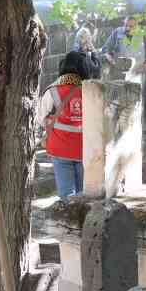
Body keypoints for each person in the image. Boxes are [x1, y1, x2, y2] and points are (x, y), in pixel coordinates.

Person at [37, 50, 88, 198]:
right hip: (84, 149)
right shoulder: (91, 90)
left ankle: (69, 219)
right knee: (84, 194)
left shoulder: (52, 91)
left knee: (67, 196)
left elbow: (40, 118)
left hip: (60, 149)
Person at [103, 16, 146, 83]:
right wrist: (109, 56)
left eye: (131, 26)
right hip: (119, 73)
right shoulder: (117, 32)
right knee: (119, 91)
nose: (127, 28)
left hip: (137, 73)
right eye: (125, 25)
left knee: (136, 91)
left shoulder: (143, 34)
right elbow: (106, 47)